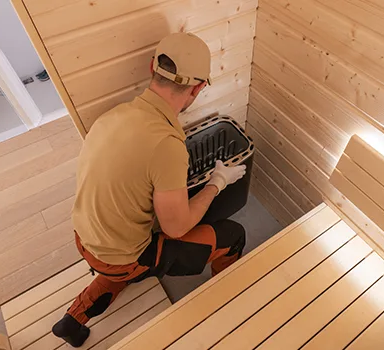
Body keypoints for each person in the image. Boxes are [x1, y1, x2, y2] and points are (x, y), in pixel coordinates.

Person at [51, 32, 248, 347]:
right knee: (234, 235)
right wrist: (217, 182)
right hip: (123, 256)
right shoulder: (166, 144)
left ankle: (73, 319)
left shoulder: (110, 118)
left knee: (119, 266)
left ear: (151, 67)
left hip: (86, 238)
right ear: (198, 88)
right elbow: (177, 226)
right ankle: (226, 305)